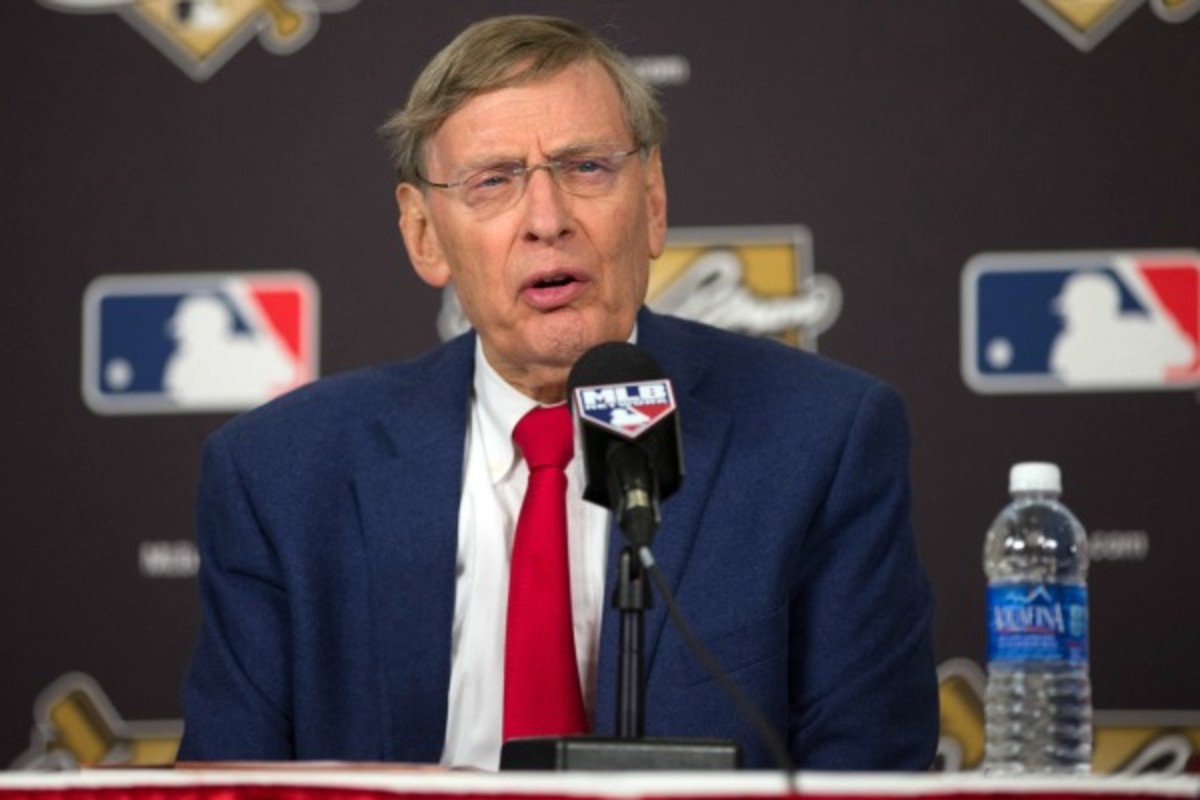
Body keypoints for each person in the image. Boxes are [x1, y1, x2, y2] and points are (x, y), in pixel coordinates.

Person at [178, 14, 938, 771]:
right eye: (493, 182)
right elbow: (226, 787)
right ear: (424, 236)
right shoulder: (279, 476)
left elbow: (868, 774)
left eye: (588, 169)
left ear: (653, 202)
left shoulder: (822, 441)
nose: (547, 221)